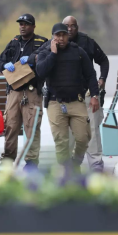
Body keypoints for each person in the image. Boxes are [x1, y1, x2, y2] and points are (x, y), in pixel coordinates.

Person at [36, 23, 100, 168]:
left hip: (76, 101)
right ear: (53, 37)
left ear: (67, 35)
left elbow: (90, 74)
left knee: (83, 138)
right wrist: (53, 54)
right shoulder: (45, 52)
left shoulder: (78, 51)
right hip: (55, 103)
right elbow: (41, 72)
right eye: (58, 35)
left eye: (63, 34)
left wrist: (95, 95)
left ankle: (76, 162)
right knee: (61, 141)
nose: (61, 38)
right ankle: (66, 170)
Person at [0, 13, 48, 170]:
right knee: (11, 125)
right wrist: (5, 65)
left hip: (32, 91)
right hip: (14, 91)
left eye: (26, 24)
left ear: (33, 26)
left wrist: (33, 58)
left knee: (32, 126)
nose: (22, 26)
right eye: (20, 24)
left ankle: (32, 162)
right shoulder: (13, 42)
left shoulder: (42, 42)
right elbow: (0, 63)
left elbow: (48, 58)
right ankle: (7, 160)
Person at [63, 15, 109, 172]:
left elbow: (103, 60)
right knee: (68, 132)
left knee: (93, 130)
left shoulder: (87, 42)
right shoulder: (56, 43)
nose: (70, 29)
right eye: (66, 26)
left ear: (77, 27)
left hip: (88, 93)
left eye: (73, 26)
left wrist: (102, 79)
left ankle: (95, 163)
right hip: (67, 96)